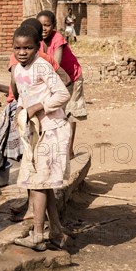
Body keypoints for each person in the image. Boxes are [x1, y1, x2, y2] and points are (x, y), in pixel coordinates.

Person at [10, 24, 71, 251]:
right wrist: (21, 109)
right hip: (35, 132)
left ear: (37, 48)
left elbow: (63, 94)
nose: (22, 52)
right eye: (18, 48)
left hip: (52, 130)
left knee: (37, 184)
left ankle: (37, 235)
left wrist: (40, 106)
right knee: (42, 185)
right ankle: (55, 232)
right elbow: (23, 96)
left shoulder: (42, 67)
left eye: (27, 48)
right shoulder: (17, 70)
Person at [37, 10, 87, 159]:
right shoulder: (35, 40)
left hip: (71, 77)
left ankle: (69, 151)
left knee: (70, 114)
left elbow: (55, 65)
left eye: (47, 25)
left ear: (53, 26)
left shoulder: (58, 39)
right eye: (41, 25)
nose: (44, 29)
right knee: (52, 114)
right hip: (53, 81)